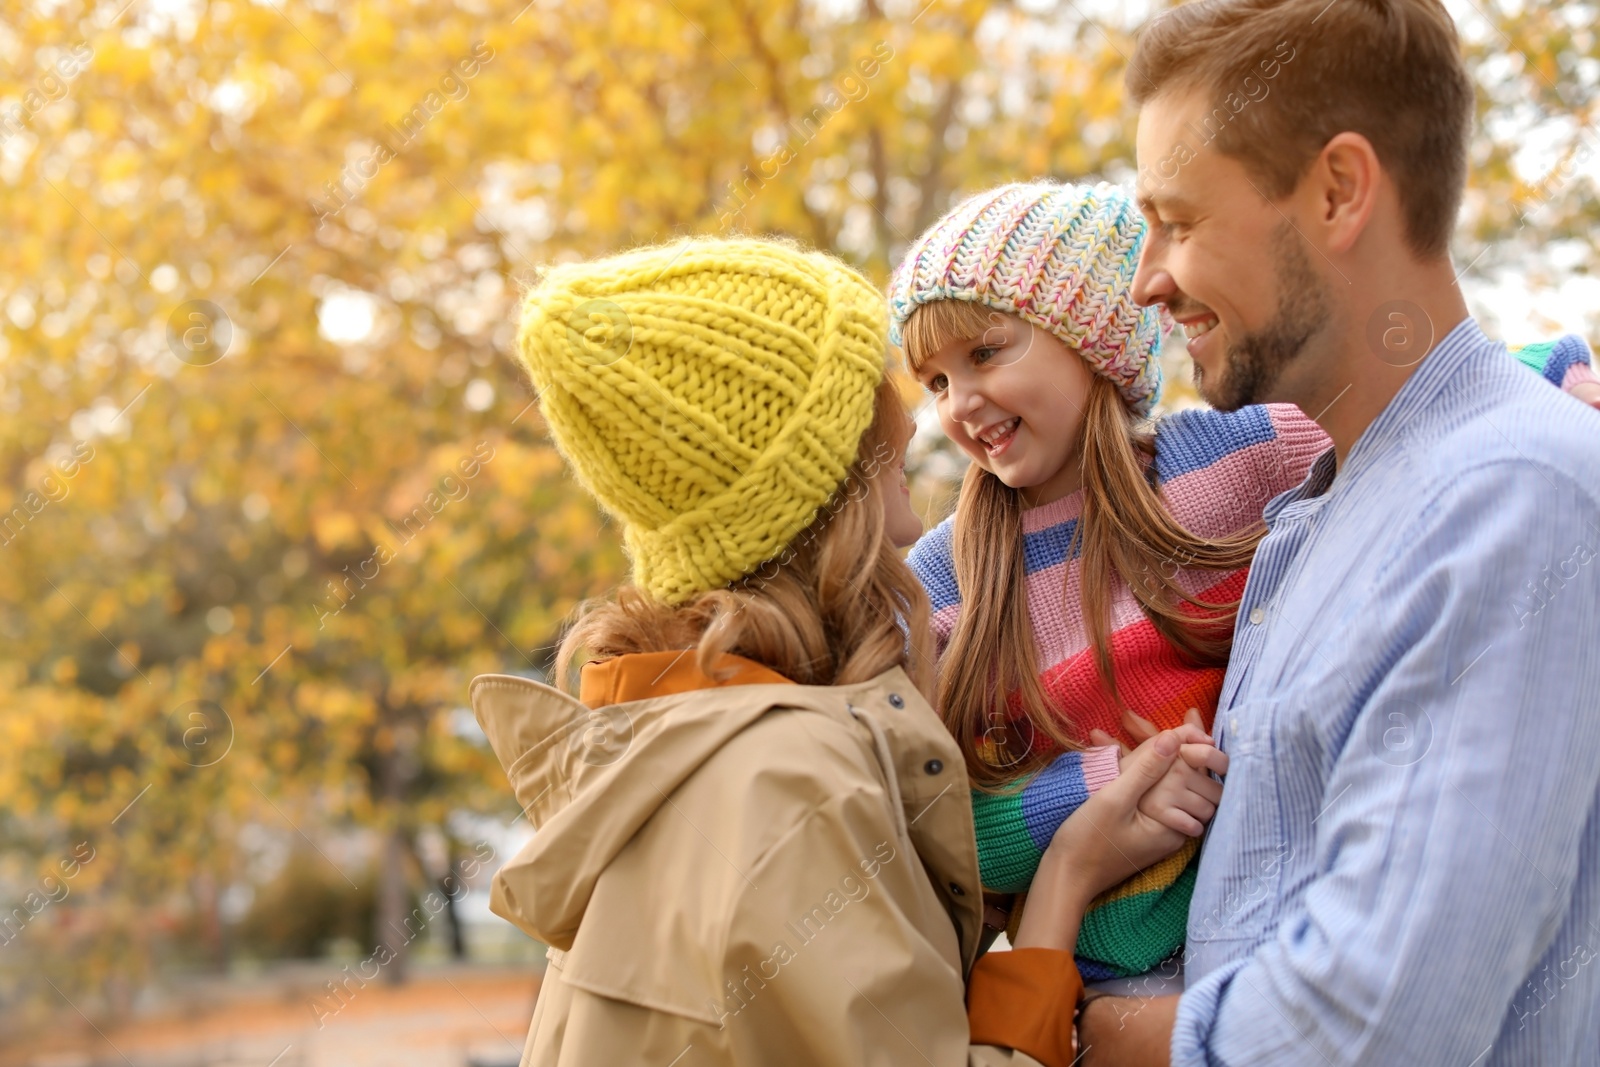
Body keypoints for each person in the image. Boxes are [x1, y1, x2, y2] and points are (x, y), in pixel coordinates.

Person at [471, 236, 1228, 1066]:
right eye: (877, 387)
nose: (915, 417)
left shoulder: (681, 739)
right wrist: (1068, 875)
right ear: (816, 473)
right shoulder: (789, 785)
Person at [1072, 0, 1600, 1063]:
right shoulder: (1322, 521)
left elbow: (1366, 1025)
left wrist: (1087, 1031)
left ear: (1337, 191)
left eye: (1176, 221)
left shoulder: (1508, 499)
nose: (1147, 281)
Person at [891, 180, 1332, 988]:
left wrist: (1555, 367)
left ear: (1091, 340)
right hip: (1099, 970)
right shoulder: (946, 575)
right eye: (938, 382)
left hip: (1278, 916)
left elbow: (1391, 407)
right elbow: (939, 830)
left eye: (985, 352)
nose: (961, 403)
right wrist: (1094, 791)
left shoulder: (1224, 461)